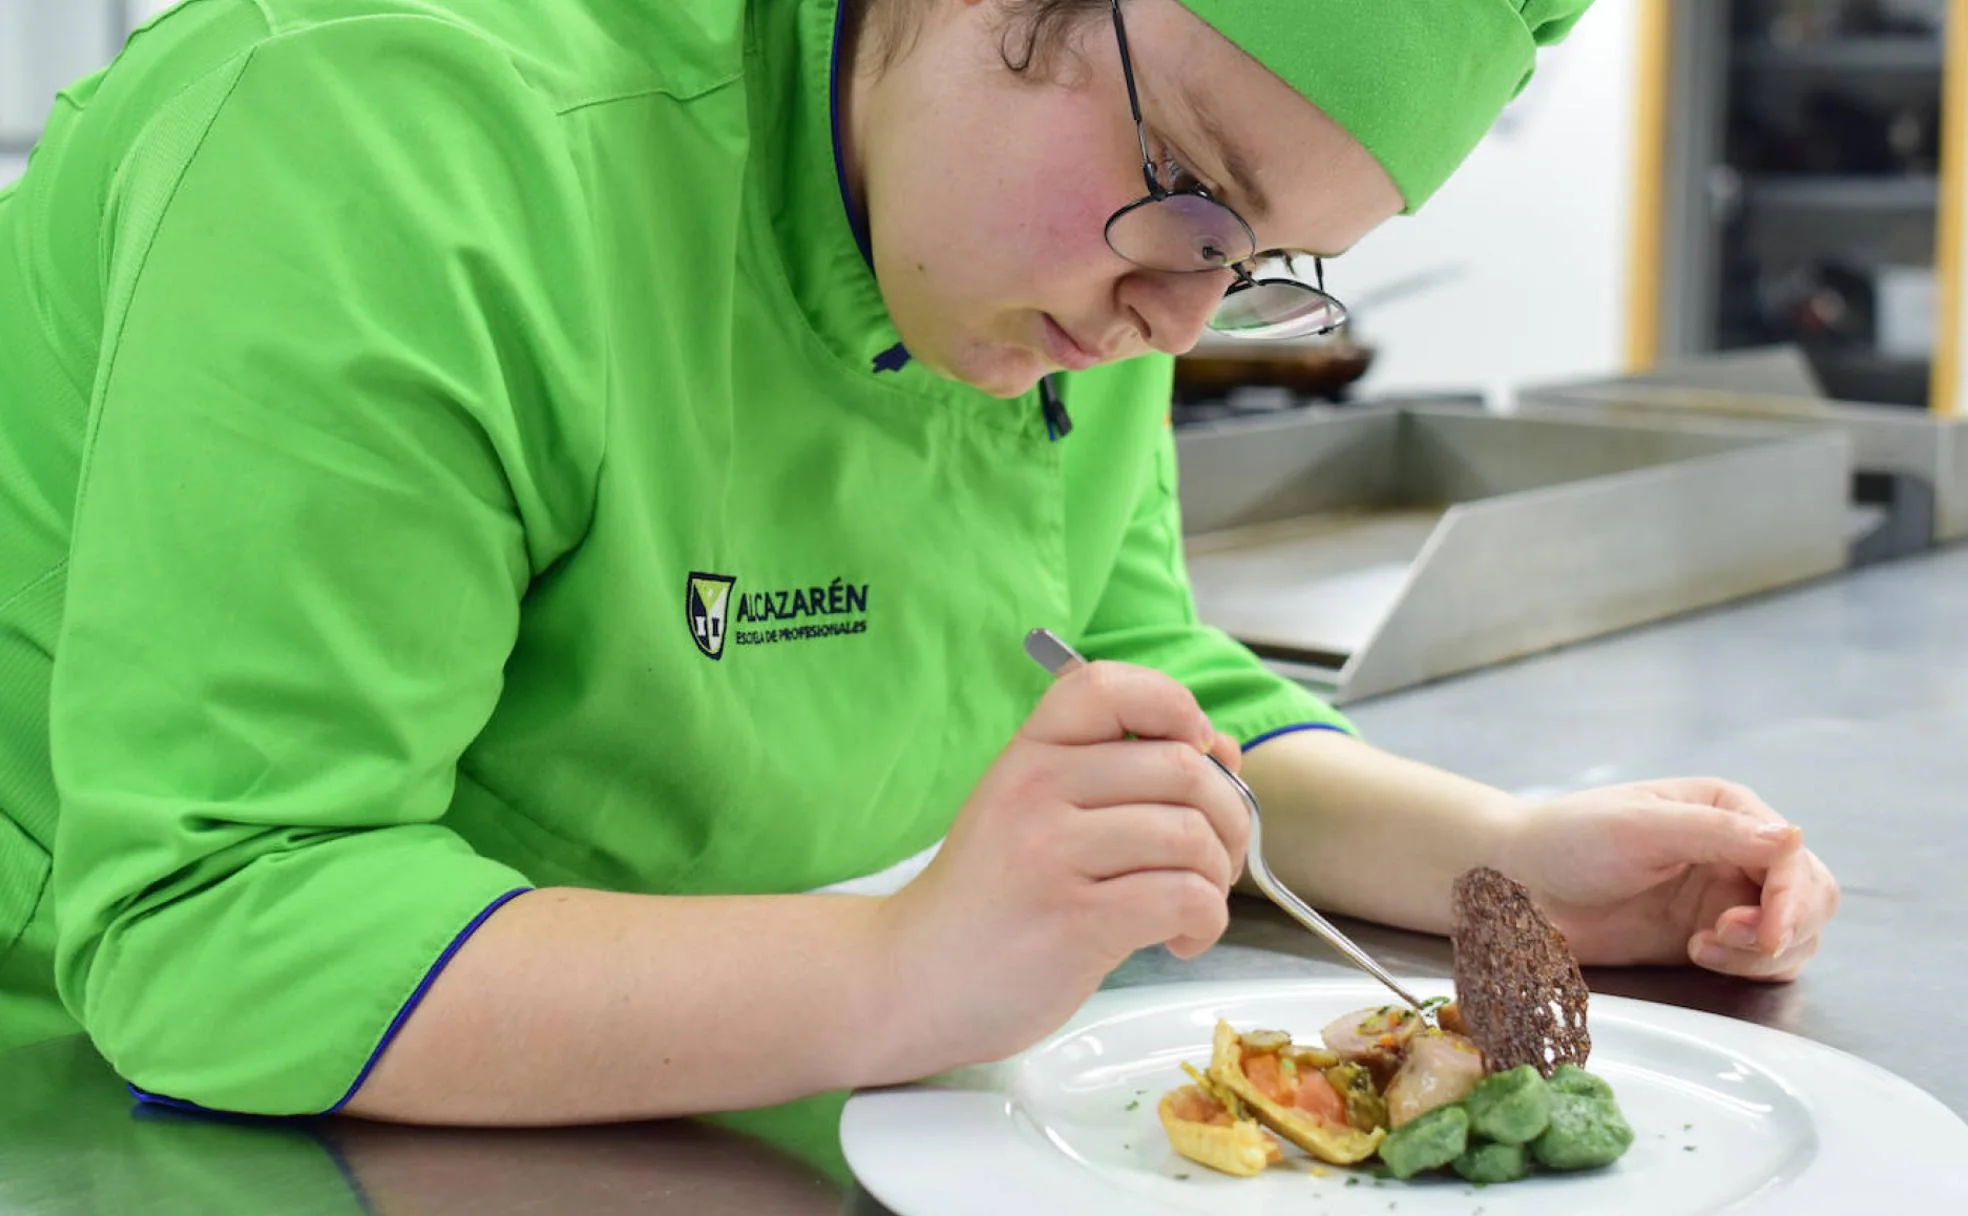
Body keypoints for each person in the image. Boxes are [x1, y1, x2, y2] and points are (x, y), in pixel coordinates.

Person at [0, 0, 1839, 1125]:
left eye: (1259, 259)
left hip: (675, 1101)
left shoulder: (1065, 263)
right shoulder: (396, 139)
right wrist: (893, 974)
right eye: (1188, 189)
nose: (1172, 315)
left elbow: (1126, 681)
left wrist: (1501, 864)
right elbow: (213, 930)